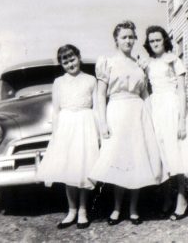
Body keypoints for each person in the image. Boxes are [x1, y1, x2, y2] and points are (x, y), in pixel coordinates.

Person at [90, 21, 166, 225]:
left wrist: (151, 118)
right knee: (119, 161)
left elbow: (145, 94)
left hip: (138, 114)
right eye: (124, 37)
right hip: (116, 112)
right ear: (116, 39)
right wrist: (103, 123)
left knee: (137, 160)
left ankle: (133, 209)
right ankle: (116, 209)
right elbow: (100, 95)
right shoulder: (107, 62)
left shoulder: (139, 63)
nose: (128, 40)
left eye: (131, 37)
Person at [143, 26, 188, 220]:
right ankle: (167, 198)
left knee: (177, 153)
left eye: (158, 40)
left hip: (172, 108)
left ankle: (181, 199)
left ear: (165, 40)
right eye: (152, 41)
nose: (155, 43)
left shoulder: (174, 60)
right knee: (162, 153)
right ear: (148, 44)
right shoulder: (148, 64)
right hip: (156, 108)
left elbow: (182, 91)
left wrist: (182, 120)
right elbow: (146, 89)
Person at [37, 44, 99, 229]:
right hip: (66, 126)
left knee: (83, 168)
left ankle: (82, 211)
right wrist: (56, 134)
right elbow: (56, 110)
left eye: (72, 59)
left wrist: (97, 132)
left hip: (85, 124)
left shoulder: (91, 80)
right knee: (69, 169)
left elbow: (96, 108)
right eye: (65, 61)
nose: (70, 63)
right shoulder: (58, 82)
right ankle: (71, 210)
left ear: (79, 57)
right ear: (61, 64)